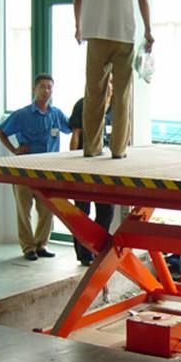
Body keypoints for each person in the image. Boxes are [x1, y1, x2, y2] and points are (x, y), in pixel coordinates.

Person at [73, 0, 154, 159]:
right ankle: (118, 149)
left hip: (95, 33)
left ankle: (92, 147)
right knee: (122, 94)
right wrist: (148, 30)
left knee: (94, 93)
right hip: (123, 34)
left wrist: (78, 27)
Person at [0, 74, 71, 261]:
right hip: (24, 169)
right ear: (34, 89)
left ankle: (41, 244)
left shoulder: (56, 114)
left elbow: (71, 127)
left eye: (50, 87)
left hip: (49, 170)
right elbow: (0, 131)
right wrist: (14, 150)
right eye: (42, 87)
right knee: (24, 209)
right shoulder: (23, 114)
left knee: (48, 209)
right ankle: (28, 248)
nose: (46, 91)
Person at [69, 77, 114, 266]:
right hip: (84, 166)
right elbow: (75, 135)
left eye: (111, 82)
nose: (108, 86)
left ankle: (98, 248)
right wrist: (73, 165)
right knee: (82, 211)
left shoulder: (116, 107)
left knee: (106, 211)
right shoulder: (83, 104)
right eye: (106, 82)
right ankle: (84, 254)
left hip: (107, 168)